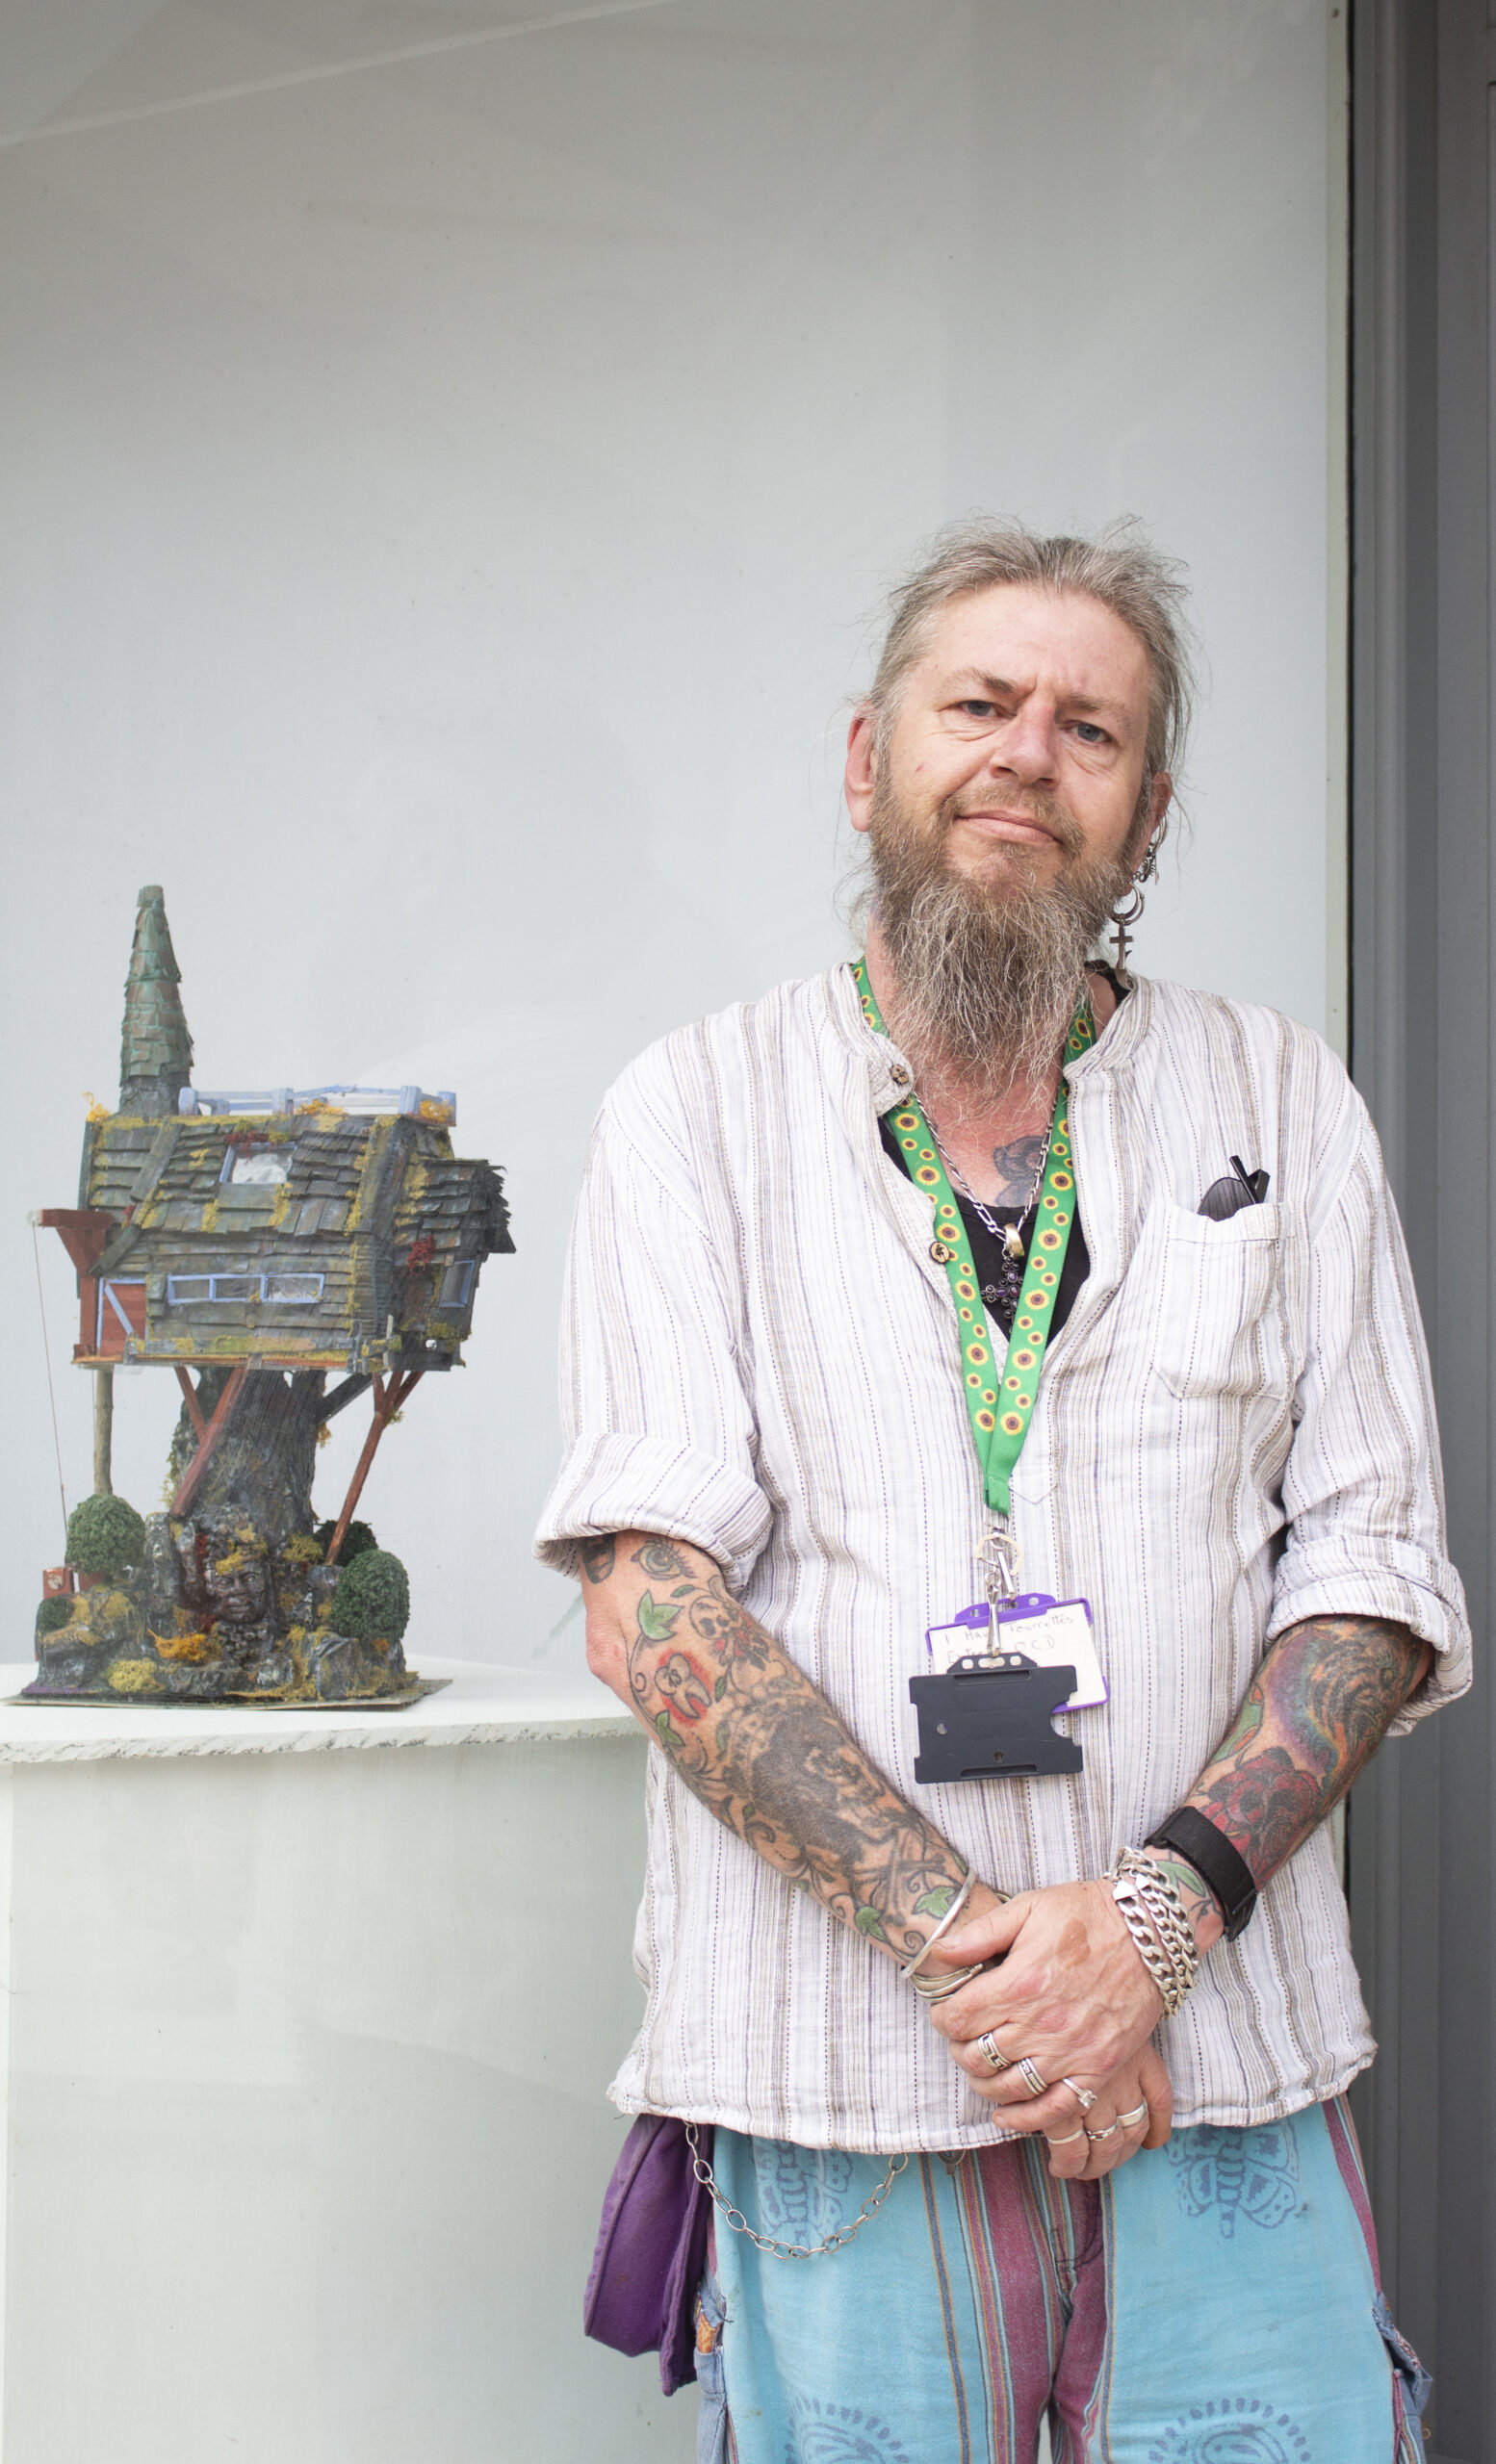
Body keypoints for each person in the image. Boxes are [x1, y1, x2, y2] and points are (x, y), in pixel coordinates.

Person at [535, 523, 1467, 2463]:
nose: (1028, 755)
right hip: (843, 2082)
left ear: (1147, 814)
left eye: (1091, 728)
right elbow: (650, 1585)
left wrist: (1150, 1923)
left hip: (1229, 2072)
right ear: (866, 754)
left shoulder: (1285, 1100)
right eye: (980, 705)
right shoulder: (690, 1110)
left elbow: (1373, 1569)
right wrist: (1004, 1960)